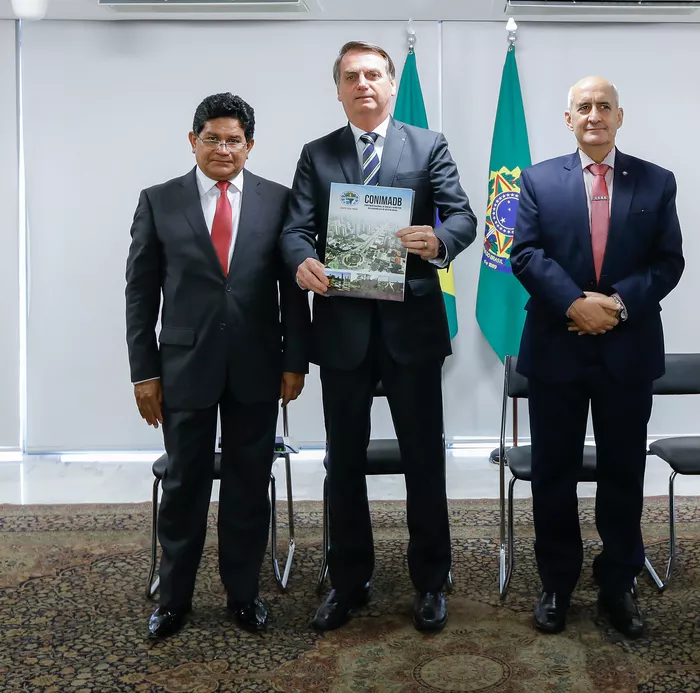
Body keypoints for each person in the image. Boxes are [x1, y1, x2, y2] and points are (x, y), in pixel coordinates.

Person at [281, 41, 477, 633]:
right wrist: (301, 263)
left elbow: (463, 215)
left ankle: (430, 580)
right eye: (351, 76)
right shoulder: (318, 155)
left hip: (411, 328)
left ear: (391, 85)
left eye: (373, 75)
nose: (363, 84)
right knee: (342, 461)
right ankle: (347, 579)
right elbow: (296, 229)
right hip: (341, 328)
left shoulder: (428, 145)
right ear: (337, 89)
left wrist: (438, 242)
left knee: (423, 457)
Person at [125, 93, 310, 639]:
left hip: (259, 365)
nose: (223, 148)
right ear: (193, 141)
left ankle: (243, 594)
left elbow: (293, 294)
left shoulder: (279, 202)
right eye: (213, 138)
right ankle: (174, 598)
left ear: (249, 147)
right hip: (184, 368)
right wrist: (144, 373)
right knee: (184, 487)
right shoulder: (159, 201)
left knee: (249, 486)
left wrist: (295, 360)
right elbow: (140, 295)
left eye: (234, 140)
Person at [510, 76, 685, 639]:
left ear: (619, 115)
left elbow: (668, 262)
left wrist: (615, 303)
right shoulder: (536, 180)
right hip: (557, 349)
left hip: (627, 350)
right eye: (583, 107)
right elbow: (525, 255)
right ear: (568, 119)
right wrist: (574, 304)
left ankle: (618, 584)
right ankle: (556, 583)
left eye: (603, 106)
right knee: (553, 473)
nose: (594, 115)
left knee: (623, 472)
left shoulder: (656, 182)